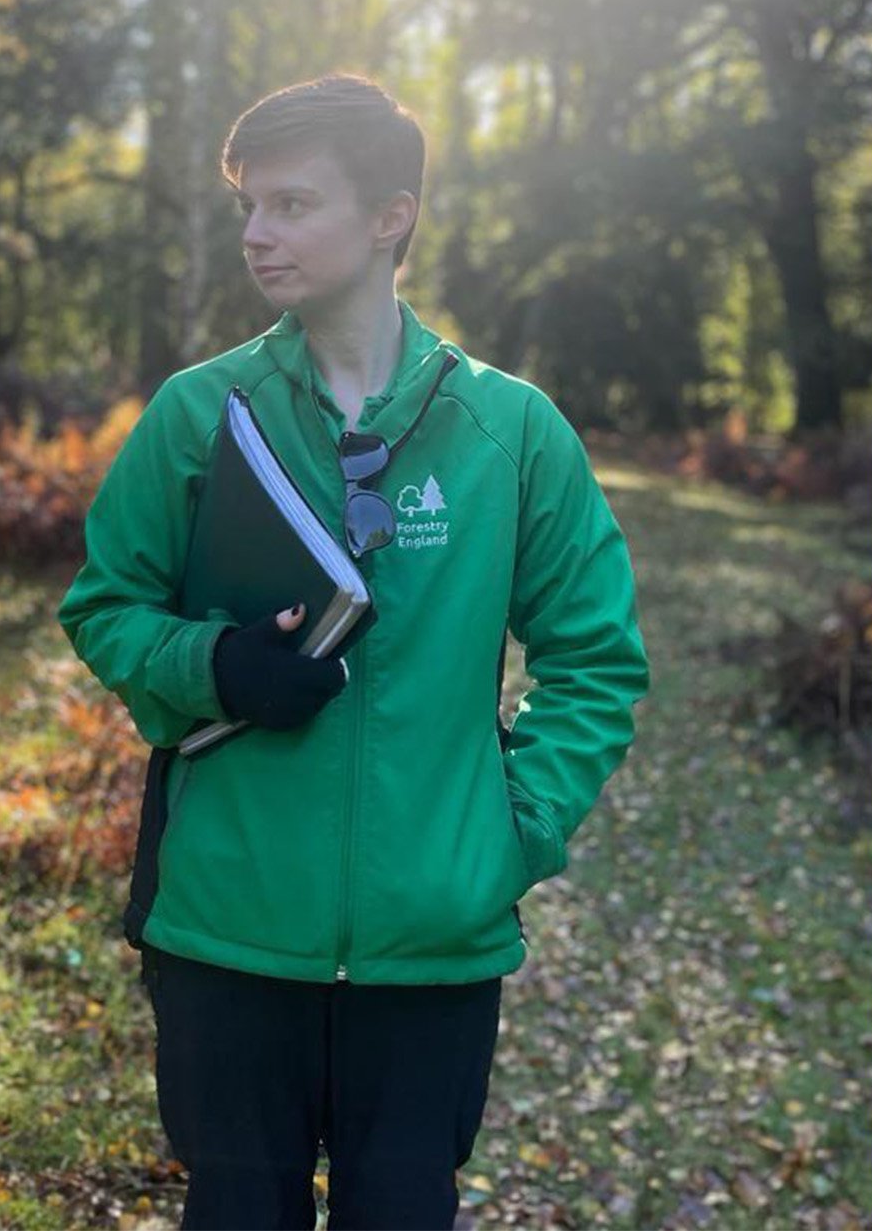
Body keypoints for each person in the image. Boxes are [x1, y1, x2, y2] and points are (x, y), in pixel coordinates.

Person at [58, 73, 649, 1229]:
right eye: (248, 208)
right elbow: (104, 606)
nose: (258, 235)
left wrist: (509, 832)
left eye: (291, 204)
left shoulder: (510, 429)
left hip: (434, 944)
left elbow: (596, 659)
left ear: (391, 216)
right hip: (228, 923)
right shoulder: (198, 412)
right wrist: (215, 665)